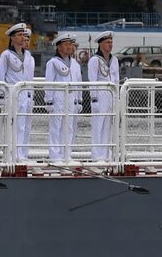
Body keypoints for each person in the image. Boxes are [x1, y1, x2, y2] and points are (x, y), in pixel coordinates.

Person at [0, 22, 36, 162]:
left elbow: (29, 76)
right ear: (12, 38)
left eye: (23, 35)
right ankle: (12, 154)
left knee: (24, 125)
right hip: (12, 93)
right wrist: (3, 95)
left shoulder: (28, 55)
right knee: (13, 124)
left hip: (25, 93)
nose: (22, 37)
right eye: (19, 35)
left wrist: (31, 94)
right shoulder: (6, 55)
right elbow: (1, 77)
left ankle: (22, 154)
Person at [44, 31, 82, 163]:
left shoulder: (75, 65)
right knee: (56, 126)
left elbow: (79, 84)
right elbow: (48, 82)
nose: (69, 47)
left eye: (71, 44)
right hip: (58, 97)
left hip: (71, 97)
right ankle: (55, 155)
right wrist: (48, 101)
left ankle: (67, 154)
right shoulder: (53, 63)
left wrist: (79, 100)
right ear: (59, 47)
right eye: (66, 44)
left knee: (69, 126)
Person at [87, 30, 120, 162]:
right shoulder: (94, 60)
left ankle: (106, 154)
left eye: (111, 42)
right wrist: (94, 98)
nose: (110, 45)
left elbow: (117, 79)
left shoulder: (114, 59)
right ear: (100, 44)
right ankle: (97, 156)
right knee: (98, 126)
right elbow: (92, 80)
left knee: (108, 125)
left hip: (111, 93)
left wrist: (117, 96)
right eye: (107, 42)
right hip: (100, 93)